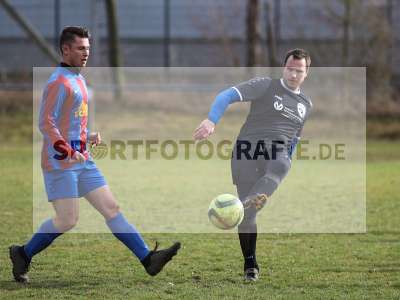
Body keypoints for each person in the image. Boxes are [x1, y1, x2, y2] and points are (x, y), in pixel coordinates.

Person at [9, 26, 180, 283]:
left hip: (82, 159)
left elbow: (69, 121)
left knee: (112, 208)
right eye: (80, 48)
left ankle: (148, 259)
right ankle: (22, 253)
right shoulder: (59, 82)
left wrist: (86, 137)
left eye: (88, 48)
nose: (86, 53)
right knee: (68, 220)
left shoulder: (78, 78)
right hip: (60, 162)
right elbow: (46, 123)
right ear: (65, 49)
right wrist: (67, 149)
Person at [194, 48, 312, 282]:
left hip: (276, 150)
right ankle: (250, 264)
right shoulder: (266, 86)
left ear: (306, 73)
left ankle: (249, 202)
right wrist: (211, 120)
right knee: (248, 218)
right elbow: (225, 96)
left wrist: (289, 154)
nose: (293, 74)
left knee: (281, 163)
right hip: (246, 150)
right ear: (283, 67)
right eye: (290, 68)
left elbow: (295, 138)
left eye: (299, 71)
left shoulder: (306, 104)